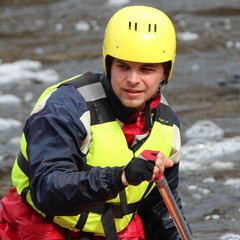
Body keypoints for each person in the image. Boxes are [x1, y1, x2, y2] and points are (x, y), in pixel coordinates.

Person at [0, 5, 192, 240]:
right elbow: (48, 191)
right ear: (108, 64)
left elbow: (160, 210)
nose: (133, 80)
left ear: (165, 73)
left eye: (146, 70)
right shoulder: (66, 108)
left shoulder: (166, 124)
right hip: (42, 226)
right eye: (123, 66)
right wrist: (121, 176)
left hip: (110, 231)